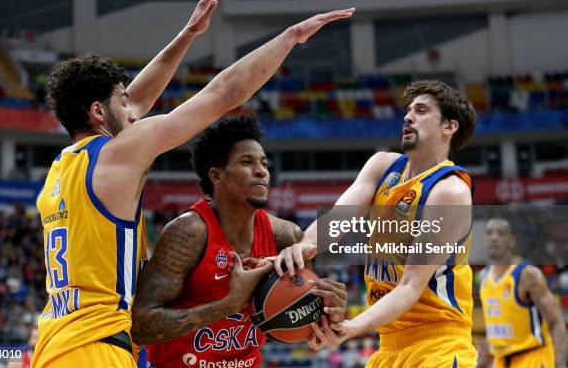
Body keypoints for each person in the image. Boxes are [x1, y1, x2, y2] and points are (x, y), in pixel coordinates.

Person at [32, 0, 355, 366]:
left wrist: (187, 35)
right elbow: (224, 94)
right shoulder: (117, 154)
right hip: (97, 346)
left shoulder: (60, 171)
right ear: (99, 112)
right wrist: (289, 38)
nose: (133, 111)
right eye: (122, 101)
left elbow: (138, 100)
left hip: (53, 344)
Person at [275, 80, 479, 367]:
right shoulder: (383, 166)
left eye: (421, 110)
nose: (408, 116)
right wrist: (305, 246)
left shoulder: (450, 191)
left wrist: (352, 327)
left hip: (438, 346)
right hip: (388, 347)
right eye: (408, 110)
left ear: (449, 127)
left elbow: (410, 285)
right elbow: (337, 219)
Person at [131, 115, 348, 368]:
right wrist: (229, 304)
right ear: (216, 175)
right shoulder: (187, 233)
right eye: (247, 162)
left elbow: (307, 329)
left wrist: (329, 311)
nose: (262, 171)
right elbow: (140, 326)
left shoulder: (286, 236)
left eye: (264, 163)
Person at [477, 217, 567, 368]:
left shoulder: (527, 275)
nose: (494, 238)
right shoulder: (484, 278)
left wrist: (560, 363)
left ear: (512, 240)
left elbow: (556, 322)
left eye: (501, 233)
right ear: (484, 240)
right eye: (489, 233)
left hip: (533, 357)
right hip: (501, 361)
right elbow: (495, 330)